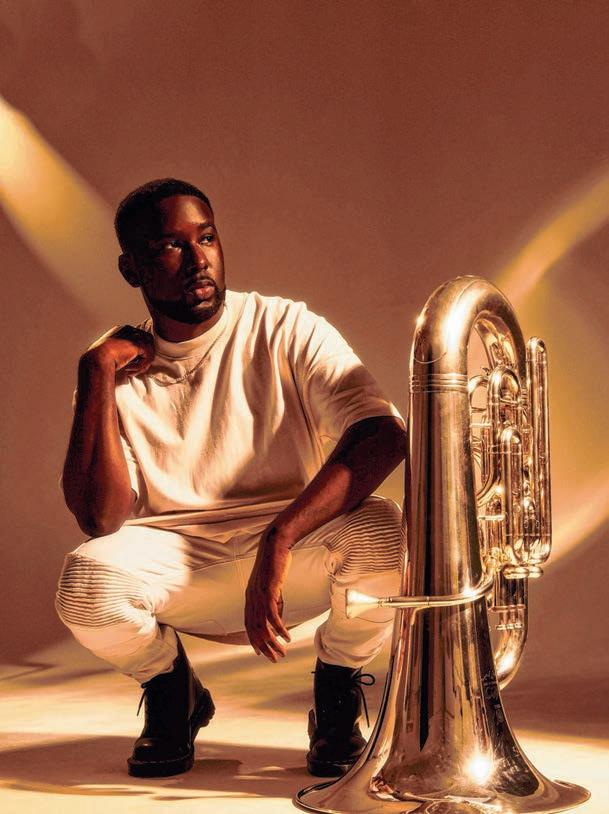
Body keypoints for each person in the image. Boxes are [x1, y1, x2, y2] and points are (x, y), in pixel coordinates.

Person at [55, 178, 407, 780]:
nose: (198, 260)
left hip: (295, 553)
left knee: (385, 532)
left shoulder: (284, 326)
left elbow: (382, 434)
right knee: (86, 583)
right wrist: (95, 372)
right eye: (171, 246)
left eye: (207, 238)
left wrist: (281, 537)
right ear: (131, 268)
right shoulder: (116, 369)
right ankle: (173, 692)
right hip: (183, 561)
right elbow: (100, 517)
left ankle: (337, 691)